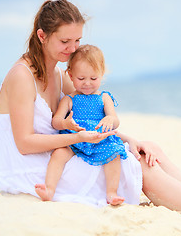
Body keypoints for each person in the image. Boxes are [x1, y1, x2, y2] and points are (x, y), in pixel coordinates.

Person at [0, 0, 181, 225]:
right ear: (42, 36)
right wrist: (80, 139)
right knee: (134, 166)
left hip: (64, 149)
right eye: (65, 41)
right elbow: (24, 143)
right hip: (34, 168)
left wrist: (127, 138)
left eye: (77, 40)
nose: (73, 49)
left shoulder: (59, 73)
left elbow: (89, 117)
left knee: (147, 150)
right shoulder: (21, 76)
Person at [35, 44, 127, 206]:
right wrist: (65, 122)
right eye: (81, 78)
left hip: (99, 139)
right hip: (74, 140)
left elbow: (115, 119)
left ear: (101, 74)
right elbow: (55, 122)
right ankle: (49, 189)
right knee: (59, 154)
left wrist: (109, 120)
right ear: (70, 75)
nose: (87, 83)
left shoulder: (104, 97)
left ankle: (111, 193)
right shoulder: (69, 99)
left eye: (93, 78)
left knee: (114, 155)